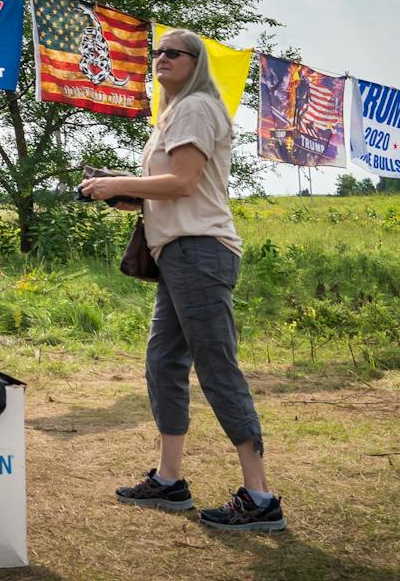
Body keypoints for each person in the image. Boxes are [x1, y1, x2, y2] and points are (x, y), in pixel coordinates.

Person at [79, 29, 284, 532]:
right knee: (164, 362)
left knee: (216, 366)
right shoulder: (172, 115)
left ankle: (259, 496)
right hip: (179, 254)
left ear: (197, 63)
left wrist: (117, 183)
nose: (160, 58)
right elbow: (171, 190)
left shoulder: (194, 108)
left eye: (174, 53)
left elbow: (184, 183)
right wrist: (129, 196)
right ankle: (170, 481)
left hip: (199, 252)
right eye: (157, 52)